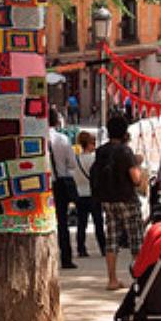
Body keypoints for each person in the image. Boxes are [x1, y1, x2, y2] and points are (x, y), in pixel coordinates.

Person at [92, 116, 147, 291]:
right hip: (126, 198)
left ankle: (112, 279)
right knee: (135, 239)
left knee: (112, 239)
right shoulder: (125, 152)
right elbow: (136, 179)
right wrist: (137, 165)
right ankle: (139, 278)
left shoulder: (101, 151)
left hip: (107, 199)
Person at [47, 108, 78, 270]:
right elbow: (72, 163)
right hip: (61, 184)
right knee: (63, 222)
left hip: (43, 185)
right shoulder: (63, 140)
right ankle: (66, 257)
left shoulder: (37, 139)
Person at [71, 130, 106, 258]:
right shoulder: (94, 159)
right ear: (89, 144)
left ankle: (81, 248)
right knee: (98, 223)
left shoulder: (76, 160)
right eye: (93, 143)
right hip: (93, 194)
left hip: (80, 194)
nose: (94, 145)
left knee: (82, 224)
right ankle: (103, 247)